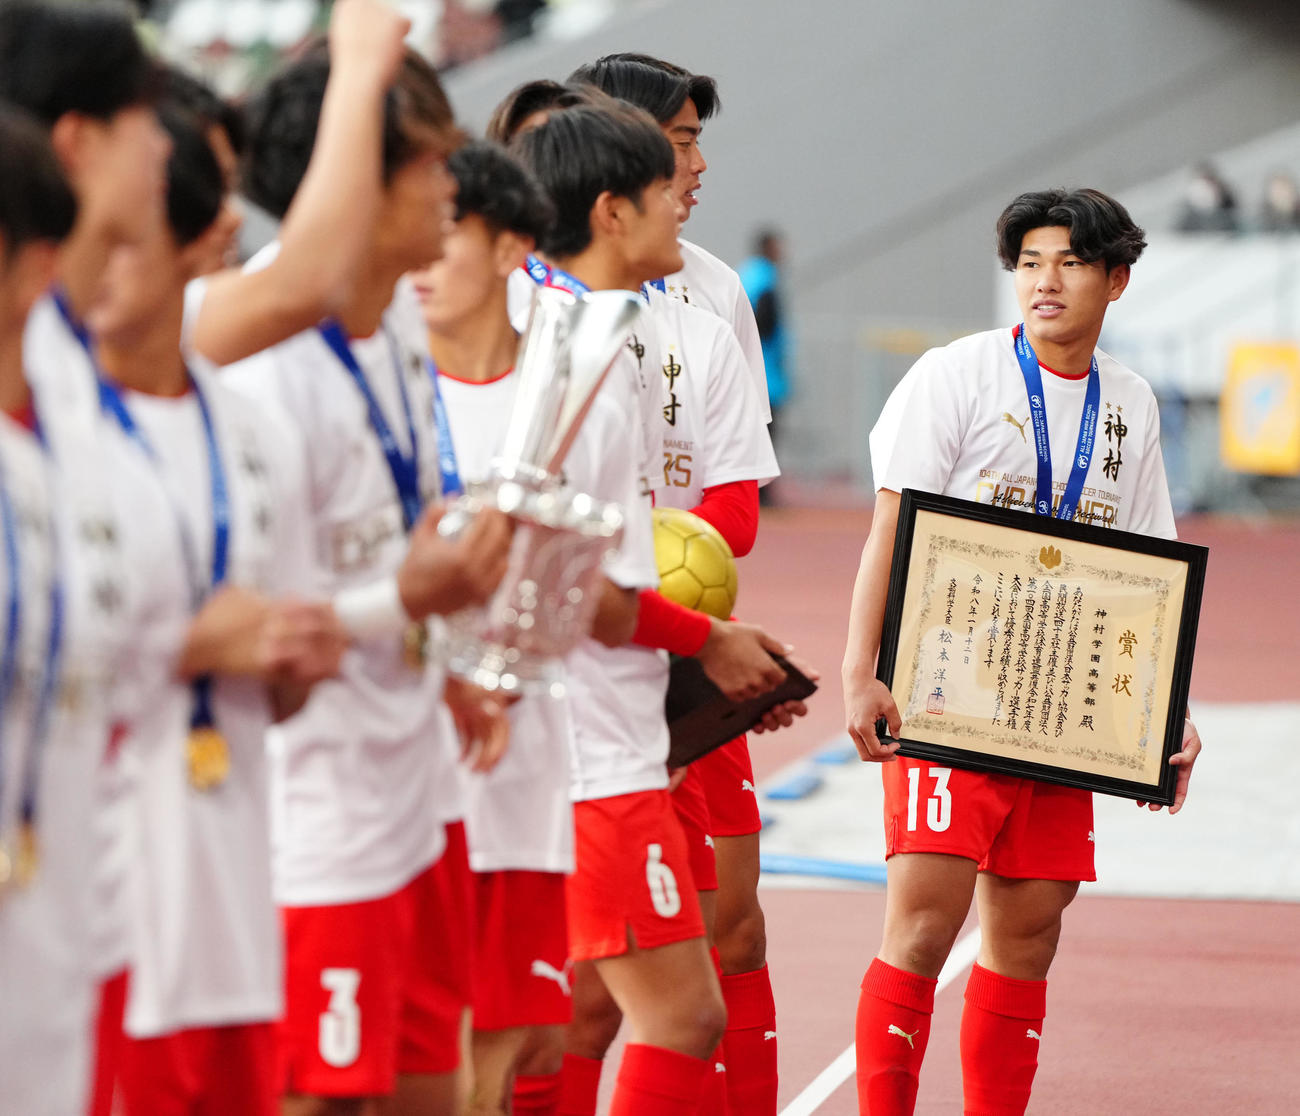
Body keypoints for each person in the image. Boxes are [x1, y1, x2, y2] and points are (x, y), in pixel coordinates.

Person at [841, 187, 1204, 1116]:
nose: (1046, 282)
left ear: (1117, 281)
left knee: (1031, 932)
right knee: (924, 923)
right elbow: (892, 524)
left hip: (1059, 697)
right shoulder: (954, 375)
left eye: (1072, 263)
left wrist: (1169, 716)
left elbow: (1147, 571)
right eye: (1031, 262)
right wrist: (859, 667)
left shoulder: (1129, 402)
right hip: (944, 682)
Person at [221, 38, 514, 1116]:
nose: (453, 183)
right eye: (429, 161)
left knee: (436, 1080)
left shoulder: (396, 312)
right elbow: (243, 626)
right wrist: (407, 599)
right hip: (318, 815)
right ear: (349, 179)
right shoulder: (256, 362)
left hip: (417, 784)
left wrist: (438, 663)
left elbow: (381, 543)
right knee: (330, 1099)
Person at [510, 101, 797, 1116]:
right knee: (667, 1015)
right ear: (610, 211)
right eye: (665, 185)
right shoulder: (570, 355)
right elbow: (566, 581)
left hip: (604, 729)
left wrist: (711, 655)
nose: (686, 200)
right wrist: (708, 640)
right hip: (587, 746)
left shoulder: (575, 334)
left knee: (551, 1017)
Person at [85, 90, 349, 1116]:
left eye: (121, 248)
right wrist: (188, 644)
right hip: (101, 917)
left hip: (230, 907)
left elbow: (276, 697)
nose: (92, 276)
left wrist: (294, 656)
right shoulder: (52, 432)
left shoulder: (251, 434)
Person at [739, 228, 791, 478]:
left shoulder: (745, 274)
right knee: (766, 431)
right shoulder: (765, 279)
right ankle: (763, 490)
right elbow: (763, 323)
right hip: (765, 371)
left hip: (749, 367)